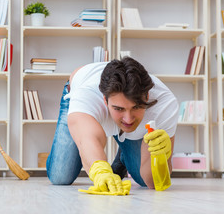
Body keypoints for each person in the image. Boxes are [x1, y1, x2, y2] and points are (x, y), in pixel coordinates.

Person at [46, 57, 178, 195]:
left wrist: (162, 153)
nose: (128, 118)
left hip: (130, 117)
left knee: (145, 182)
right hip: (79, 90)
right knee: (60, 176)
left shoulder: (164, 104)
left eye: (137, 107)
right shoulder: (87, 97)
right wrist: (101, 170)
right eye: (119, 109)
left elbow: (154, 182)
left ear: (147, 97)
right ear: (105, 100)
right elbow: (88, 139)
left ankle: (123, 155)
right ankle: (125, 145)